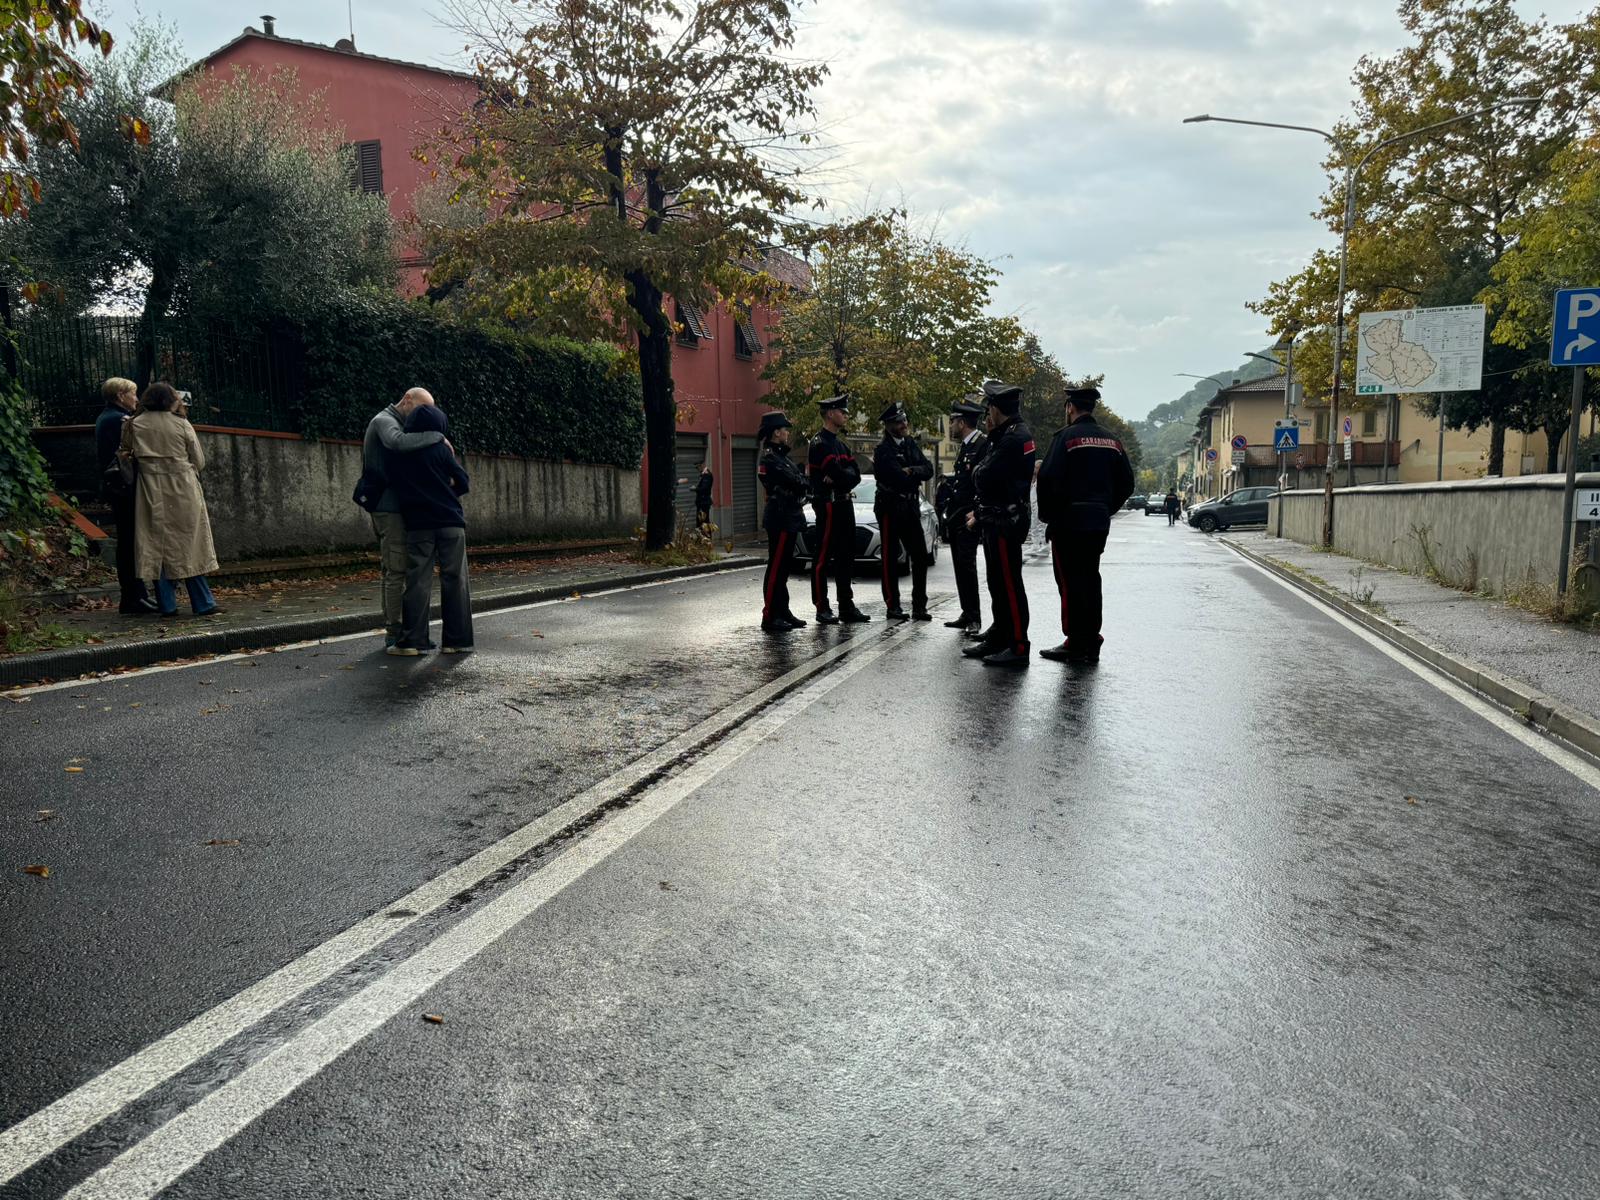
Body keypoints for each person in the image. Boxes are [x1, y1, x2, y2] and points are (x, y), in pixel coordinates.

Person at [1035, 385, 1136, 665]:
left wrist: (1048, 516)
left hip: (1068, 523)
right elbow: (1127, 482)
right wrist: (1106, 508)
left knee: (1069, 582)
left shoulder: (1065, 438)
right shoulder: (1112, 441)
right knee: (1091, 579)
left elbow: (1047, 478)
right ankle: (1092, 638)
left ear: (1070, 407)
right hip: (1097, 523)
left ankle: (1075, 642)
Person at [120, 382, 221, 616]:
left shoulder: (133, 425)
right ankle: (203, 602)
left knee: (157, 544)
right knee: (190, 543)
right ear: (170, 400)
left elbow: (125, 453)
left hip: (149, 488)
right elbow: (199, 460)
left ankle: (167, 604)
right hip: (182, 486)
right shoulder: (181, 424)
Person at [385, 403, 473, 656]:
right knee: (455, 580)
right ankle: (456, 641)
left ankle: (413, 641)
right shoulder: (441, 449)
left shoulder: (399, 452)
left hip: (418, 525)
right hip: (450, 522)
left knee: (418, 581)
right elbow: (463, 482)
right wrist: (448, 494)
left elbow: (394, 484)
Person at [362, 388, 447, 649]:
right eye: (422, 409)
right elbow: (396, 442)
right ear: (407, 400)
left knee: (392, 568)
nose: (424, 416)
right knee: (396, 569)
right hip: (389, 508)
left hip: (395, 507)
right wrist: (436, 436)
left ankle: (398, 628)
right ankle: (394, 632)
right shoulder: (384, 421)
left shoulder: (401, 423)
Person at [961, 379, 1036, 668]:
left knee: (1009, 583)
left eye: (988, 408)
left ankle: (1018, 645)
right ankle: (1000, 634)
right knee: (996, 581)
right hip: (997, 517)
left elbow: (983, 476)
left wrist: (980, 470)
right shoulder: (1008, 434)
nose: (986, 415)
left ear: (996, 408)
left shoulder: (1014, 438)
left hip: (1006, 519)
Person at [95, 377, 157, 615]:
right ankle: (133, 596)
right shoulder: (119, 420)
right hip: (125, 488)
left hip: (117, 487)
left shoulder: (106, 417)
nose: (137, 398)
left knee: (129, 541)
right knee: (130, 542)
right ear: (120, 395)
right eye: (133, 393)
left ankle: (136, 594)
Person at [807, 394, 871, 625]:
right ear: (830, 413)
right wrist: (843, 475)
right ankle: (821, 607)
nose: (845, 415)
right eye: (842, 412)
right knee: (823, 557)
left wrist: (843, 475)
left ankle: (846, 606)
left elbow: (854, 474)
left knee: (846, 556)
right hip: (829, 504)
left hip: (844, 502)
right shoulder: (819, 443)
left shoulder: (840, 444)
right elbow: (839, 473)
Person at [871, 402, 934, 621]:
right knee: (890, 558)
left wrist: (912, 470)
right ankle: (893, 605)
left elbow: (928, 470)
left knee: (920, 556)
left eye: (904, 420)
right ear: (889, 425)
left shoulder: (909, 444)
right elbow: (895, 476)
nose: (904, 424)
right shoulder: (883, 450)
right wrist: (908, 473)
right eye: (899, 422)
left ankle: (919, 606)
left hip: (910, 507)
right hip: (890, 507)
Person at [756, 412, 809, 632]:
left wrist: (799, 481)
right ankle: (769, 615)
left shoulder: (782, 457)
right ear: (776, 432)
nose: (788, 432)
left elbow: (802, 482)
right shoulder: (770, 458)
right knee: (776, 568)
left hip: (790, 516)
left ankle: (783, 610)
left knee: (784, 568)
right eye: (785, 429)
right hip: (780, 517)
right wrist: (799, 481)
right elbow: (797, 481)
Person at [942, 396, 988, 637]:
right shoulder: (967, 445)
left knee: (967, 565)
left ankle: (975, 617)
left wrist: (976, 511)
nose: (950, 426)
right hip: (958, 514)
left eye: (952, 421)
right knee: (960, 565)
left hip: (971, 515)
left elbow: (983, 482)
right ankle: (966, 611)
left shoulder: (982, 444)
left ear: (961, 422)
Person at [695, 464, 714, 531]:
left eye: (698, 468)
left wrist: (695, 489)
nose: (697, 469)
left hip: (704, 502)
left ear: (701, 466)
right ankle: (702, 539)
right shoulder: (703, 474)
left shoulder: (707, 475)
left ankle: (706, 539)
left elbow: (704, 488)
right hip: (701, 502)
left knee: (704, 522)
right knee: (701, 522)